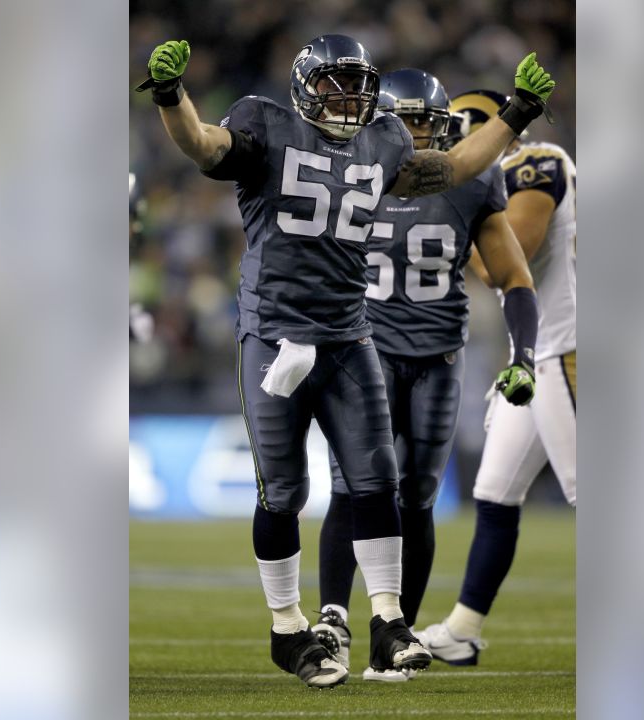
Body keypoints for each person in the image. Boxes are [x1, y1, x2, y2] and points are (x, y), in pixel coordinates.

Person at [139, 37, 556, 687]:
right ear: (306, 85)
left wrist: (518, 112)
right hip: (276, 336)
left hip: (349, 334)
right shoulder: (264, 123)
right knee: (283, 492)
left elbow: (454, 167)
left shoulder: (383, 140)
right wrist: (172, 98)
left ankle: (388, 620)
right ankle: (287, 627)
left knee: (375, 482)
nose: (348, 96)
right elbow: (202, 146)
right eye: (334, 83)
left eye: (357, 83)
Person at [310, 69, 540, 682]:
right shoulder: (353, 174)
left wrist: (524, 353)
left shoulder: (471, 182)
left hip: (439, 357)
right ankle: (332, 620)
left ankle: (397, 636)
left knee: (417, 498)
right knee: (355, 488)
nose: (416, 133)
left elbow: (513, 275)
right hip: (364, 352)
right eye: (404, 120)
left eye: (426, 121)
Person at [415, 89, 577, 666]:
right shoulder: (488, 179)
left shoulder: (536, 162)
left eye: (449, 129)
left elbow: (516, 258)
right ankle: (462, 628)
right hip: (533, 358)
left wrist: (456, 228)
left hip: (570, 350)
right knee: (494, 492)